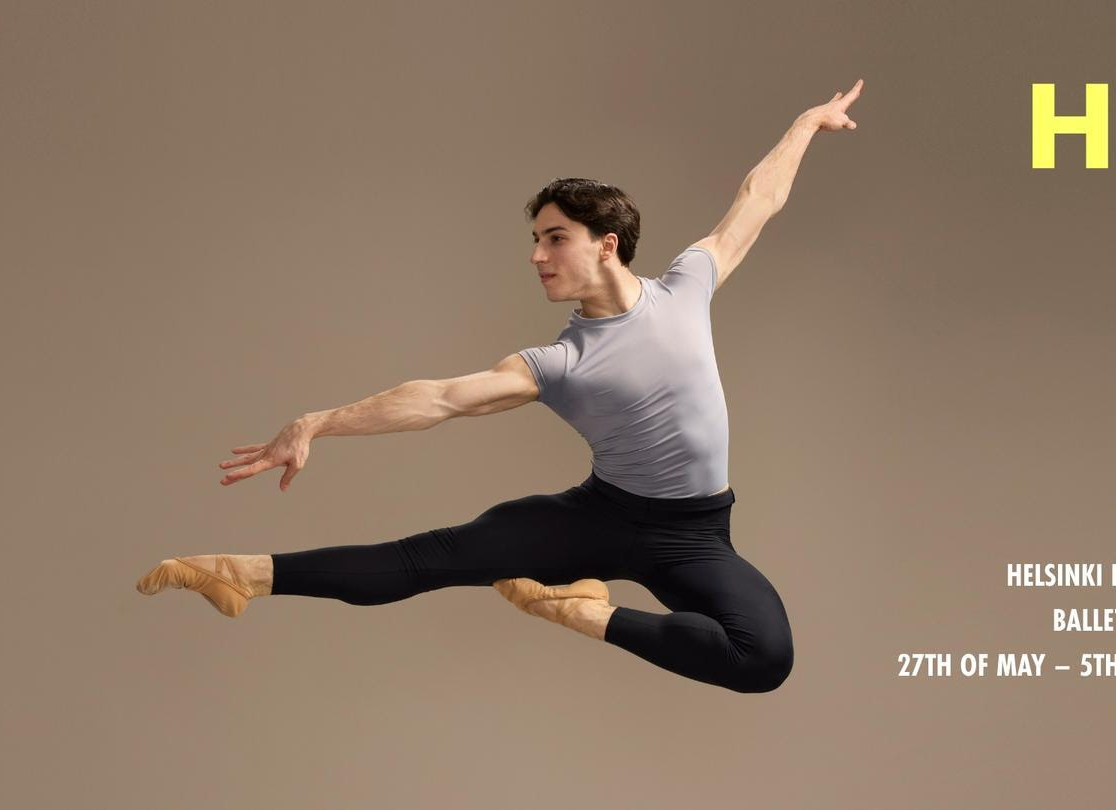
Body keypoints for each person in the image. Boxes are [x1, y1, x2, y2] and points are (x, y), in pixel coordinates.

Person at [138, 79, 864, 692]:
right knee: (423, 561)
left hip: (695, 536)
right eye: (536, 240)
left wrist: (807, 123)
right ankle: (237, 573)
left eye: (555, 238)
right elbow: (438, 398)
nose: (537, 256)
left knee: (764, 657)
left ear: (605, 243)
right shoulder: (560, 363)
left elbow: (757, 198)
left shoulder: (688, 286)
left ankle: (578, 611)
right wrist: (316, 421)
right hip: (597, 517)